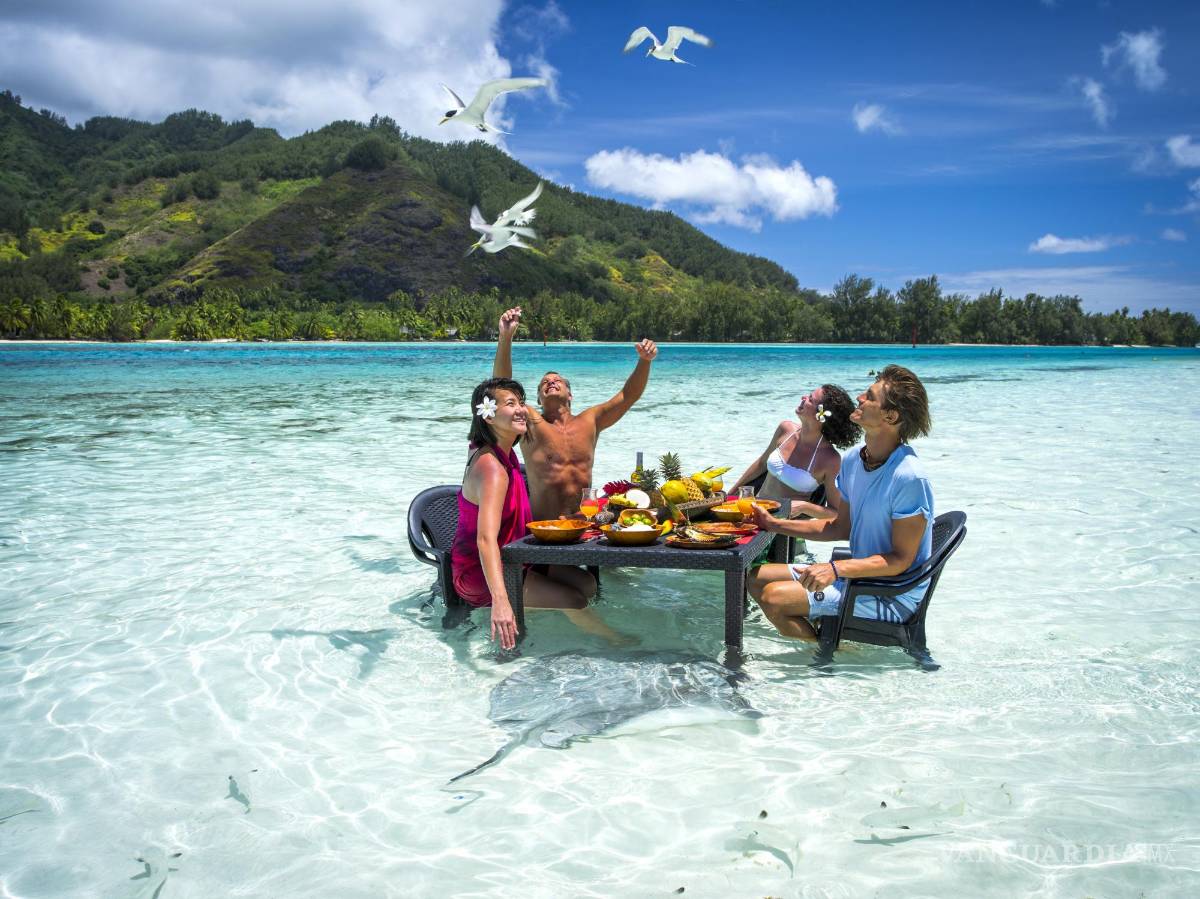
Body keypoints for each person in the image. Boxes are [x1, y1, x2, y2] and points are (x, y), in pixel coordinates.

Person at [746, 365, 934, 640]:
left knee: (774, 598)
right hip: (856, 576)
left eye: (869, 396)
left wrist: (835, 569)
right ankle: (824, 638)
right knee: (755, 577)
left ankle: (826, 658)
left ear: (890, 416)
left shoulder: (909, 477)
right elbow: (839, 528)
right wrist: (774, 524)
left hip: (891, 595)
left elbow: (900, 560)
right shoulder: (854, 461)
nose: (859, 397)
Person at [450, 377, 626, 649]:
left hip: (516, 558)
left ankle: (559, 635)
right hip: (481, 572)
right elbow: (485, 540)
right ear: (488, 416)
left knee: (587, 584)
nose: (522, 409)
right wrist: (501, 600)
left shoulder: (504, 454)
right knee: (573, 600)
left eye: (521, 402)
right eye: (510, 404)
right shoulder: (492, 468)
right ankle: (617, 644)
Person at [492, 306, 658, 520]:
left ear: (570, 395)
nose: (551, 381)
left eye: (557, 380)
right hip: (545, 530)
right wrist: (505, 337)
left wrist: (645, 361)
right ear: (539, 399)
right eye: (545, 382)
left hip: (585, 525)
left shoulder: (590, 420)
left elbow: (628, 396)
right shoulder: (531, 421)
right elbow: (503, 389)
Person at [728, 384, 862, 519]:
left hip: (787, 529)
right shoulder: (786, 429)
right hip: (753, 515)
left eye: (810, 399)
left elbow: (835, 512)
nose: (803, 398)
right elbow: (761, 464)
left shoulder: (830, 459)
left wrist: (805, 506)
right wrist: (730, 495)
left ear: (820, 415)